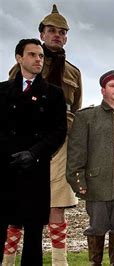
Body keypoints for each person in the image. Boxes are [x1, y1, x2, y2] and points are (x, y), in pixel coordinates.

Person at [4, 5, 82, 265]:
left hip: (60, 144)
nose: (57, 35)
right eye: (51, 31)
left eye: (62, 32)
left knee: (56, 205)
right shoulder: (27, 64)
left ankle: (60, 261)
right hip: (28, 144)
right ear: (42, 33)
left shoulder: (74, 73)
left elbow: (76, 109)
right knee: (17, 205)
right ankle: (8, 259)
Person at [0, 38, 67, 265]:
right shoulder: (2, 91)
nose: (38, 59)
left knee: (33, 236)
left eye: (40, 55)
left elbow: (59, 131)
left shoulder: (54, 94)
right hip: (5, 171)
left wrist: (34, 152)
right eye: (32, 55)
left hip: (35, 170)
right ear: (19, 58)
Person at [66, 70, 114, 265]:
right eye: (112, 85)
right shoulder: (86, 117)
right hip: (96, 184)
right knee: (96, 228)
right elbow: (76, 152)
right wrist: (77, 180)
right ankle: (94, 263)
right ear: (102, 90)